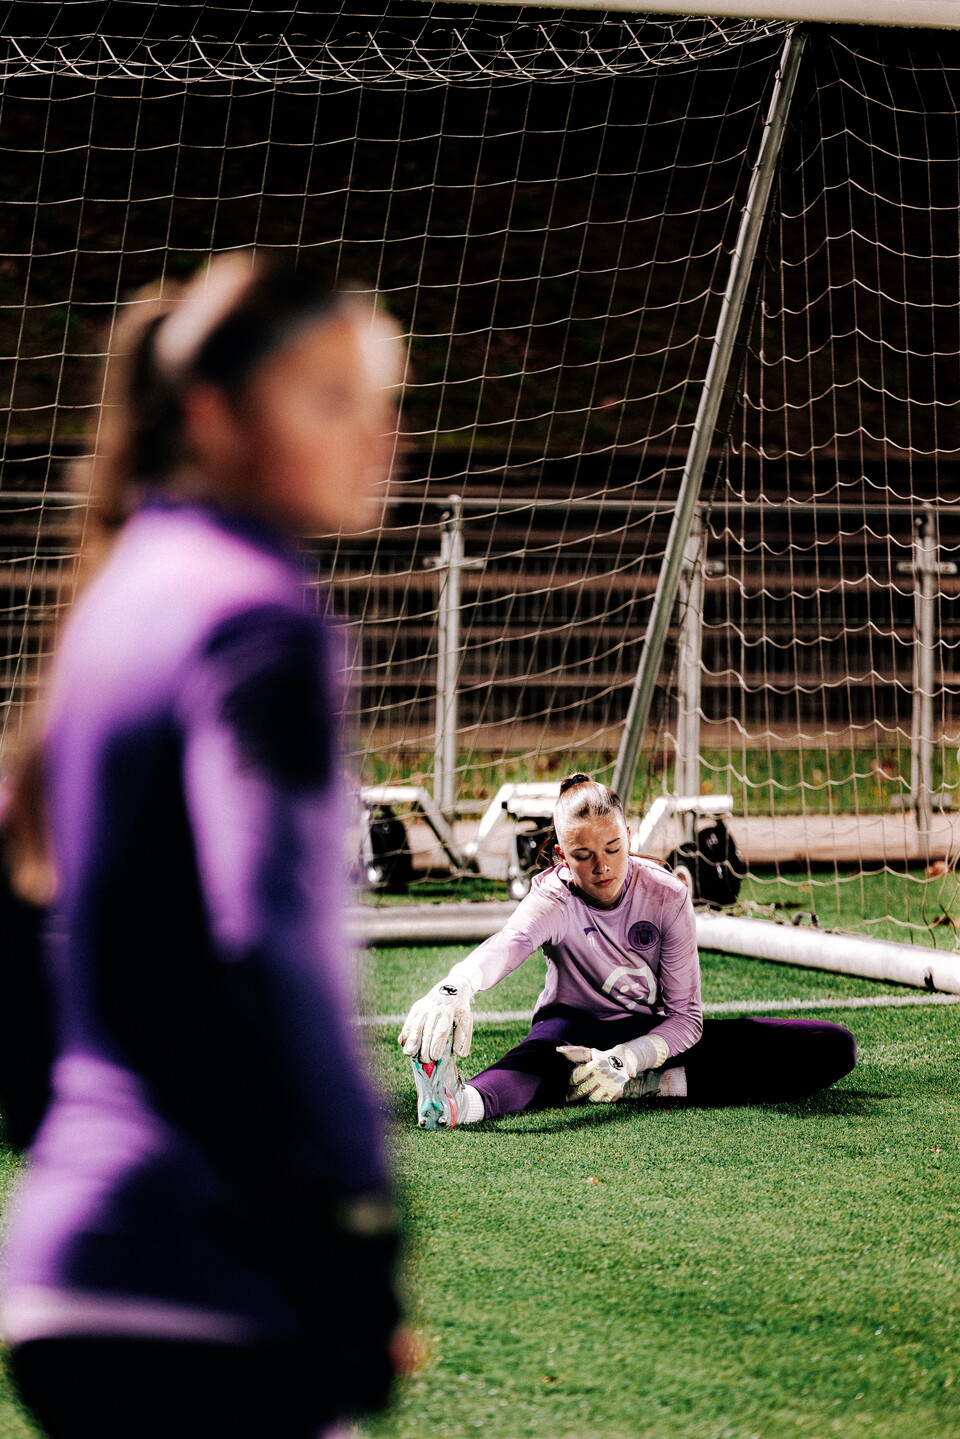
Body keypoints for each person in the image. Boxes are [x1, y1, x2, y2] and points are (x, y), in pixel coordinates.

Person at [1, 251, 407, 1439]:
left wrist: (62, 1126)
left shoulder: (119, 592)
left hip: (74, 1263)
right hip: (205, 1277)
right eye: (327, 400)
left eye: (382, 404)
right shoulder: (258, 618)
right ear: (212, 412)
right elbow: (271, 942)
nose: (374, 439)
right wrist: (353, 1234)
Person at [400, 772, 857, 1129]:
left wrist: (629, 1060)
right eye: (582, 855)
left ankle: (646, 1085)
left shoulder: (667, 895)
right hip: (573, 1031)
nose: (601, 866)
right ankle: (460, 1104)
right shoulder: (553, 897)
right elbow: (509, 943)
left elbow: (686, 1019)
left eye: (613, 848)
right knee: (540, 1064)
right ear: (561, 855)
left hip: (651, 1037)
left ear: (630, 837)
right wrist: (454, 986)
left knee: (831, 1046)